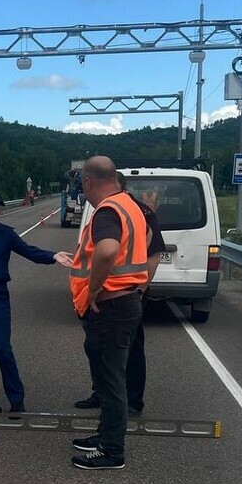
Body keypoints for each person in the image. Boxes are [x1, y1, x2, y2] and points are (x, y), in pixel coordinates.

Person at [0, 191, 73, 413]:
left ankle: (16, 398)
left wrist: (53, 256)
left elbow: (29, 251)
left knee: (3, 346)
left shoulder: (6, 235)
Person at [68, 156, 149, 470]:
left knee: (111, 380)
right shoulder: (129, 204)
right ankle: (104, 435)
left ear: (88, 182)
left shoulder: (107, 210)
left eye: (82, 185)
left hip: (111, 305)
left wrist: (94, 288)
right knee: (109, 376)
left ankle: (112, 450)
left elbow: (107, 250)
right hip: (126, 302)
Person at [74, 176, 166, 416]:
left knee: (131, 351)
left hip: (125, 294)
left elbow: (153, 255)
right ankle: (101, 394)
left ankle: (132, 401)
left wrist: (138, 290)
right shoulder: (108, 211)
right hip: (102, 298)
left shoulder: (137, 213)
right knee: (100, 352)